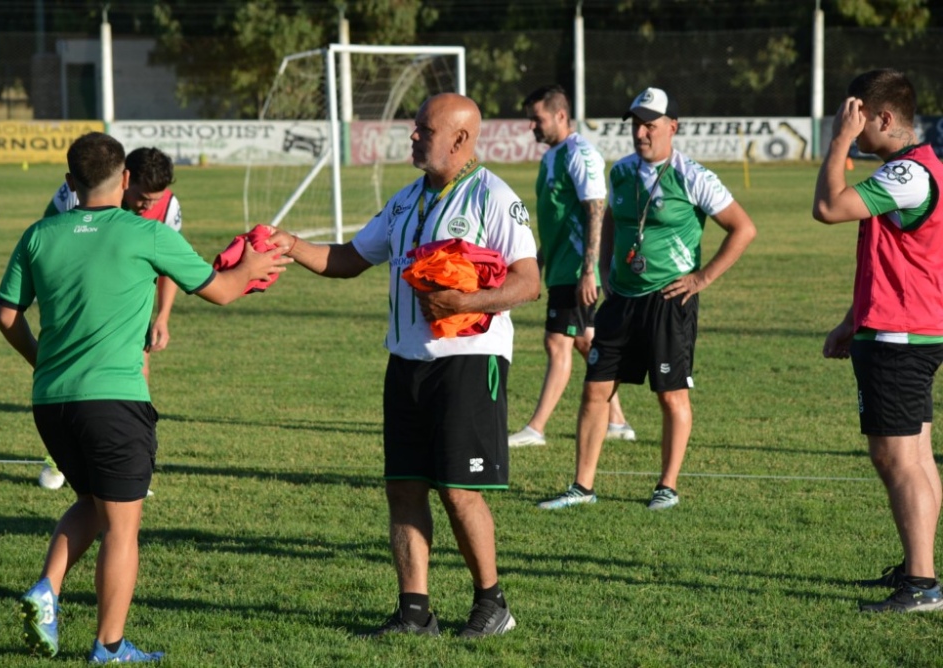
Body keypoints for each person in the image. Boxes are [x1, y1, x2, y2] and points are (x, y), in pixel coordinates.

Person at [0, 132, 289, 662]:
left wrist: (43, 361)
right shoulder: (143, 234)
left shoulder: (38, 235)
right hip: (114, 402)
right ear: (126, 180)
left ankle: (46, 590)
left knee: (88, 501)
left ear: (69, 184)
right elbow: (222, 290)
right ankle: (109, 647)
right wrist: (254, 266)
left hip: (51, 403)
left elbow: (7, 316)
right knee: (122, 528)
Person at [268, 93, 539, 637]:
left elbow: (529, 283)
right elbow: (350, 258)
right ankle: (415, 612)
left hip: (468, 363)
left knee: (459, 491)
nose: (412, 136)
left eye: (423, 129)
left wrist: (463, 304)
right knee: (405, 486)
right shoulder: (406, 200)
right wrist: (290, 244)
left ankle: (492, 604)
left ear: (460, 140)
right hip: (407, 363)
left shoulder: (494, 197)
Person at [538, 87, 756, 511]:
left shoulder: (693, 175)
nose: (641, 132)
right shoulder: (620, 172)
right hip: (622, 300)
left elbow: (743, 228)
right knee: (595, 389)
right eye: (636, 124)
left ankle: (667, 486)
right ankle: (582, 487)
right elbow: (614, 224)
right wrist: (604, 270)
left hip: (668, 300)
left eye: (650, 124)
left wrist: (702, 278)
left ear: (672, 127)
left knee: (670, 395)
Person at [815, 69, 943, 613]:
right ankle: (921, 571)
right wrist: (852, 318)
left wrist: (840, 141)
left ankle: (920, 584)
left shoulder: (909, 175)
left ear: (883, 118)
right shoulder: (916, 169)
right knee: (915, 455)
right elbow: (894, 260)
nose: (852, 124)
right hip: (905, 326)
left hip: (899, 336)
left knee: (899, 461)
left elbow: (828, 208)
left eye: (858, 115)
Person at [38, 147, 183, 490]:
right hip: (78, 307)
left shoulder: (168, 207)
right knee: (70, 379)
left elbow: (171, 265)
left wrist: (162, 316)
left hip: (128, 309)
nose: (148, 206)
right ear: (124, 179)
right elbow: (47, 238)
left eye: (155, 200)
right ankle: (60, 458)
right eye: (143, 198)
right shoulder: (76, 195)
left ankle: (133, 464)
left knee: (138, 373)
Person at [508, 84, 635, 448]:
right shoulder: (552, 156)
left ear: (561, 115)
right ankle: (619, 421)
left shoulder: (581, 154)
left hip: (577, 270)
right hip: (560, 267)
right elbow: (557, 219)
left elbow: (596, 209)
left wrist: (588, 271)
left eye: (538, 118)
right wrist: (537, 261)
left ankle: (536, 428)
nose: (532, 125)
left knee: (556, 342)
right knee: (583, 341)